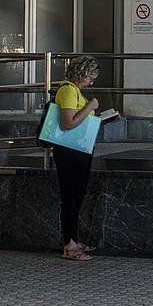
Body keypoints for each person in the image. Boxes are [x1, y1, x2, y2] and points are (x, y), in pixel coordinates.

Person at [52, 55, 104, 261]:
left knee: (76, 196)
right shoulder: (67, 91)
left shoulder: (76, 92)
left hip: (79, 149)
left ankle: (74, 239)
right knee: (70, 197)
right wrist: (90, 107)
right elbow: (68, 123)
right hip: (68, 151)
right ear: (81, 73)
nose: (92, 81)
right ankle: (69, 244)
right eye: (90, 77)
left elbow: (79, 121)